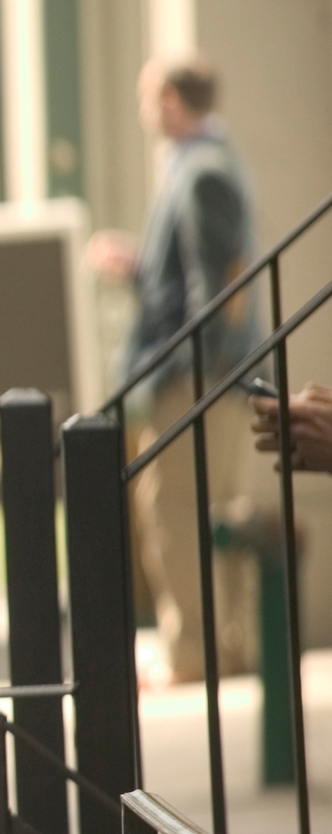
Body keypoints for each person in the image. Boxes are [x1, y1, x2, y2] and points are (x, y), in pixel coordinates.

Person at [90, 56, 260, 684]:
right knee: (205, 510)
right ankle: (227, 646)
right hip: (209, 375)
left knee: (177, 513)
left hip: (197, 381)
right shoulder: (204, 164)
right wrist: (138, 268)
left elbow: (215, 291)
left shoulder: (202, 173)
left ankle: (196, 651)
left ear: (167, 99)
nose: (141, 111)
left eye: (145, 97)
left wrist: (184, 372)